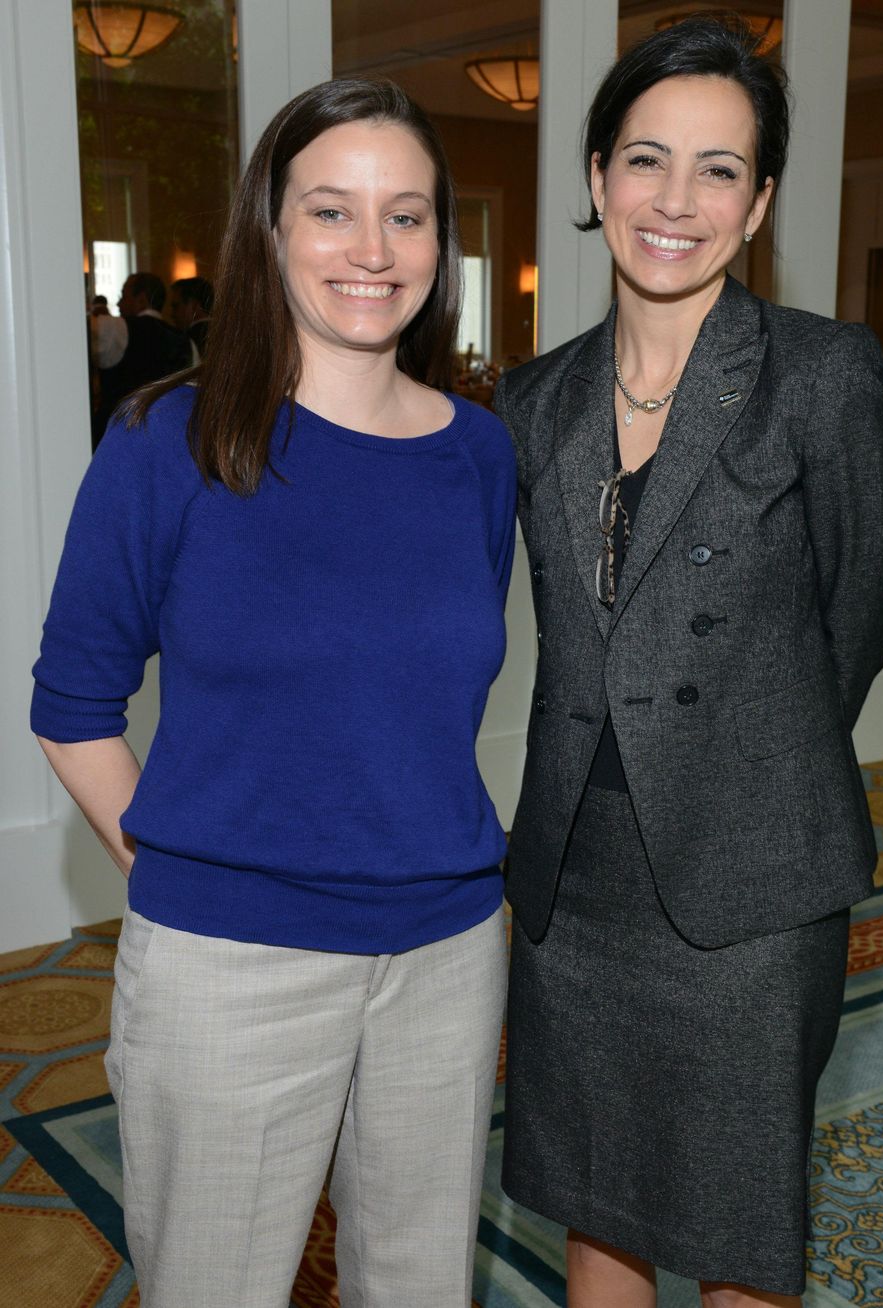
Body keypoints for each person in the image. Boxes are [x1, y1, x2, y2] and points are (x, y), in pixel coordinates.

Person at [32, 77, 515, 1308]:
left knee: (419, 1285)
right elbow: (72, 705)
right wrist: (183, 876)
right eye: (331, 211)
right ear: (269, 229)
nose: (371, 250)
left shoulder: (478, 453)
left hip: (447, 954)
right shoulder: (168, 442)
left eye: (405, 217)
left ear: (437, 245)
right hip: (229, 963)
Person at [493, 16, 883, 1308]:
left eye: (719, 169)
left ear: (762, 198)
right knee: (594, 1202)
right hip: (576, 879)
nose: (676, 201)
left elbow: (859, 618)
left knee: (738, 1234)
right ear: (598, 174)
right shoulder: (533, 398)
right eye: (646, 159)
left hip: (753, 883)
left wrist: (745, 753)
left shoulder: (825, 377)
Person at [90, 271, 192, 447]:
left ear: (142, 299)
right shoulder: (186, 342)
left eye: (123, 295)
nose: (119, 303)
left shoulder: (116, 329)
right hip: (168, 440)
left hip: (119, 438)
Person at [169, 275, 214, 360]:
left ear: (194, 306)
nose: (172, 314)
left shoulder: (183, 342)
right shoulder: (229, 333)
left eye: (176, 306)